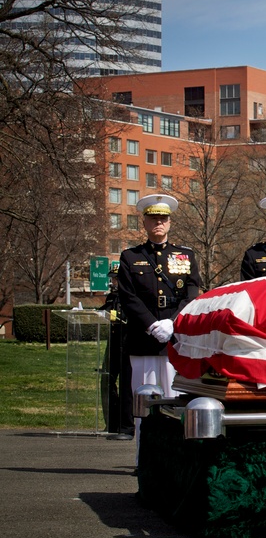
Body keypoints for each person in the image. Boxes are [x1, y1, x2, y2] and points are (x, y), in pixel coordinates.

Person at [117, 194, 202, 458]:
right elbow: (127, 296)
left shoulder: (185, 256)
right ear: (144, 222)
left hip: (174, 341)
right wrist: (152, 325)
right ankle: (145, 458)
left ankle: (175, 458)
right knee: (145, 403)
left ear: (169, 223)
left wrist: (173, 322)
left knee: (175, 401)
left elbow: (192, 292)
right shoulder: (131, 257)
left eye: (163, 218)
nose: (158, 223)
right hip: (143, 341)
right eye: (153, 218)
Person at [99, 265, 133, 438]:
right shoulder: (112, 297)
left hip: (127, 343)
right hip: (113, 343)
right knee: (106, 380)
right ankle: (111, 423)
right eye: (112, 279)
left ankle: (125, 423)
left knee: (127, 385)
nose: (113, 282)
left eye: (115, 279)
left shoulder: (132, 296)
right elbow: (104, 312)